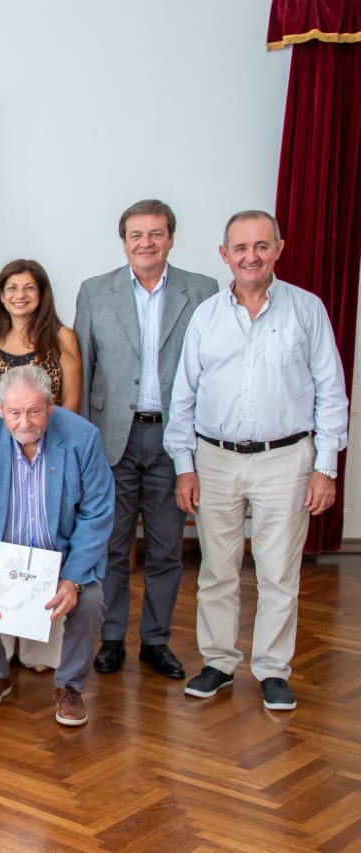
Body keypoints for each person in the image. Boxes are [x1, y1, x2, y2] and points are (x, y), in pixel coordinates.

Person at [165, 210, 348, 712]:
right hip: (215, 459)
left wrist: (325, 467)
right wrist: (184, 465)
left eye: (261, 246)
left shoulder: (307, 310)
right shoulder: (206, 317)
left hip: (285, 460)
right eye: (241, 248)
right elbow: (183, 396)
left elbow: (331, 392)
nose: (251, 256)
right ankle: (219, 662)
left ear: (278, 249)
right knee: (216, 570)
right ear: (224, 254)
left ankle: (272, 669)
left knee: (278, 572)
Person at [74, 199, 218, 680]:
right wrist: (83, 448)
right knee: (112, 547)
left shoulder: (202, 291)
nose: (146, 243)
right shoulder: (95, 292)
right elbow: (83, 370)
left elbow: (209, 372)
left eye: (156, 233)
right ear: (123, 242)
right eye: (136, 235)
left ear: (171, 239)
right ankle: (111, 638)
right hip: (112, 439)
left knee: (166, 548)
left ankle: (156, 640)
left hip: (173, 439)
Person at [0, 366, 114, 726]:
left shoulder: (83, 438)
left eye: (34, 411)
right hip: (2, 555)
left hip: (62, 557)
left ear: (51, 405)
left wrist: (71, 580)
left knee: (90, 602)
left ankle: (69, 686)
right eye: (14, 412)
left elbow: (97, 515)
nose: (24, 423)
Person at [0, 258, 80, 420]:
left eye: (29, 288)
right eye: (12, 288)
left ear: (41, 294)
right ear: (1, 296)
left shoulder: (62, 337)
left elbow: (72, 402)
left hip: (51, 434)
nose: (20, 295)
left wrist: (42, 435)